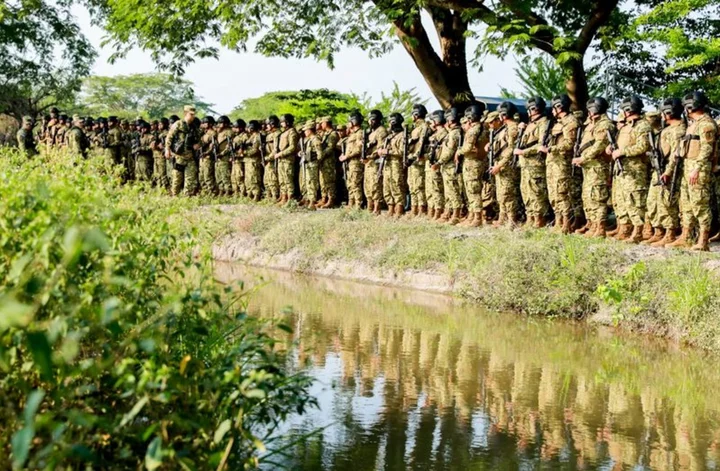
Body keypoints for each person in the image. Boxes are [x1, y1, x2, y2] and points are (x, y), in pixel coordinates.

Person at [668, 91, 718, 251]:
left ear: (691, 106)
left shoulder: (706, 124)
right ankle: (686, 236)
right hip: (687, 167)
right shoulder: (693, 125)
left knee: (699, 204)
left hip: (698, 169)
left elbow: (707, 149)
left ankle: (703, 241)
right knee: (686, 205)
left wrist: (697, 168)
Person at [643, 98, 687, 247]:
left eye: (663, 112)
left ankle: (669, 233)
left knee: (667, 203)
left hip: (670, 171)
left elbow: (676, 154)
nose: (661, 115)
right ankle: (658, 232)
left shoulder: (678, 130)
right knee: (653, 201)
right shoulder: (667, 130)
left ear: (669, 112)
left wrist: (668, 172)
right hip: (659, 170)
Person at [609, 96, 652, 243]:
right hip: (621, 170)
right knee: (621, 200)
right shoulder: (626, 127)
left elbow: (643, 146)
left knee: (635, 200)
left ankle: (638, 231)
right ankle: (625, 229)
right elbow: (619, 145)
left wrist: (623, 152)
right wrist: (612, 148)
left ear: (629, 109)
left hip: (635, 170)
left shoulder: (643, 126)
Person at [572, 97, 614, 238]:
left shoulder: (604, 124)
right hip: (588, 166)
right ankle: (592, 224)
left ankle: (600, 228)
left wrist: (583, 157)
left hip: (598, 167)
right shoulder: (590, 124)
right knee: (588, 196)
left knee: (597, 197)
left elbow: (598, 146)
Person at [541, 95, 581, 234]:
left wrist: (551, 149)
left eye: (554, 107)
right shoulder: (557, 122)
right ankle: (558, 221)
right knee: (553, 194)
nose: (552, 110)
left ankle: (566, 223)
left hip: (562, 163)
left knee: (562, 193)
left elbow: (570, 143)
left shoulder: (570, 122)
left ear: (559, 107)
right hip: (552, 162)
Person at [514, 97, 550, 228]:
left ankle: (539, 218)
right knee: (526, 191)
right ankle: (530, 216)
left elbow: (541, 145)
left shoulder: (543, 123)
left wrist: (523, 152)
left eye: (529, 109)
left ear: (534, 109)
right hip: (525, 165)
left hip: (535, 164)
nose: (528, 111)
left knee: (536, 192)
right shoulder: (530, 124)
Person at [456, 103, 488, 227]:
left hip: (472, 163)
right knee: (473, 190)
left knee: (473, 191)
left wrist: (459, 151)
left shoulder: (473, 130)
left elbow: (468, 147)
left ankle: (477, 218)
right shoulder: (483, 128)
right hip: (478, 162)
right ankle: (472, 216)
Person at [489, 102, 521, 228]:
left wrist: (500, 165)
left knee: (508, 194)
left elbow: (510, 150)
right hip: (501, 165)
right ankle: (502, 217)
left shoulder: (513, 128)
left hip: (506, 166)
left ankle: (511, 220)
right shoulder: (505, 128)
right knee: (501, 194)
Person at [434, 108, 462, 225]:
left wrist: (439, 162)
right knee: (448, 191)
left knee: (453, 191)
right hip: (446, 166)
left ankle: (456, 215)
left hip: (450, 166)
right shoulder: (452, 132)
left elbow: (450, 151)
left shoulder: (454, 133)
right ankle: (448, 213)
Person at [166, 105, 201, 196]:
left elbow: (199, 140)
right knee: (177, 178)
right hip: (179, 156)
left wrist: (198, 145)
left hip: (190, 156)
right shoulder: (178, 124)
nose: (193, 116)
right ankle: (174, 195)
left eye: (194, 115)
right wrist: (167, 150)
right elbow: (169, 137)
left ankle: (187, 196)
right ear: (185, 113)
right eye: (191, 114)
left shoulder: (194, 127)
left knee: (190, 177)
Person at [378, 112, 407, 217]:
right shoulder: (389, 136)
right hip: (387, 164)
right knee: (387, 187)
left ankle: (399, 209)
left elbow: (402, 152)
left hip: (396, 164)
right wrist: (380, 151)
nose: (389, 124)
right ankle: (390, 208)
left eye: (391, 122)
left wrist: (388, 152)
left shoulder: (403, 135)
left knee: (397, 186)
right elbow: (381, 147)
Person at [362, 110, 388, 215]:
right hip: (368, 162)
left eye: (372, 119)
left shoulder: (381, 131)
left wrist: (370, 156)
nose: (370, 121)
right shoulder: (371, 132)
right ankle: (369, 207)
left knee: (375, 185)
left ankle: (377, 208)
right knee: (367, 185)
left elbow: (380, 148)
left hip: (375, 162)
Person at [339, 111, 365, 210]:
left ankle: (358, 205)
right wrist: (344, 155)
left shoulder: (360, 133)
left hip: (356, 162)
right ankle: (351, 203)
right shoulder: (352, 134)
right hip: (350, 162)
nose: (348, 123)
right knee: (350, 184)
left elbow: (358, 149)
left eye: (349, 121)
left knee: (355, 184)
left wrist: (347, 156)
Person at [407, 104, 430, 217]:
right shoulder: (415, 127)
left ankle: (421, 209)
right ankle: (414, 209)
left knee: (419, 186)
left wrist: (413, 157)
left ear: (416, 115)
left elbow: (421, 144)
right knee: (412, 185)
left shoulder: (424, 127)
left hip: (418, 161)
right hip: (412, 161)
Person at [274, 114, 299, 205]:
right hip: (281, 159)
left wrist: (281, 153)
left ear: (288, 122)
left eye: (283, 121)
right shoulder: (284, 132)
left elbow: (292, 147)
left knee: (288, 179)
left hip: (288, 159)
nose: (281, 123)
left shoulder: (292, 132)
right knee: (282, 180)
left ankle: (290, 198)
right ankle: (284, 197)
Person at [426, 110, 447, 220]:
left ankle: (438, 211)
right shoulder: (435, 134)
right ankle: (433, 210)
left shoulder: (442, 133)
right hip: (432, 163)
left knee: (437, 189)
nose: (431, 123)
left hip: (437, 164)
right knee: (431, 188)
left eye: (432, 120)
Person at [299, 120, 323, 209]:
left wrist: (316, 163)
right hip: (307, 163)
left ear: (310, 130)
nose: (305, 132)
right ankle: (308, 200)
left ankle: (312, 202)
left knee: (312, 183)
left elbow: (319, 154)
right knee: (307, 183)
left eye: (306, 130)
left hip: (313, 164)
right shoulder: (308, 140)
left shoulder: (315, 139)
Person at [318, 116, 339, 208]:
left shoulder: (333, 134)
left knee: (330, 181)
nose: (321, 125)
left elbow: (330, 148)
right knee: (323, 181)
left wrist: (320, 155)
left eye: (322, 123)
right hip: (324, 161)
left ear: (326, 123)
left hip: (329, 162)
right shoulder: (326, 134)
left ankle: (331, 199)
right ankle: (324, 198)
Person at [242, 120, 263, 201]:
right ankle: (249, 192)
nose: (248, 129)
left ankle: (256, 194)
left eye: (249, 127)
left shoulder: (257, 136)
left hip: (253, 160)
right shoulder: (251, 136)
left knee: (254, 178)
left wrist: (244, 152)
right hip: (248, 160)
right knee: (248, 178)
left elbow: (255, 150)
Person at [214, 116, 234, 196]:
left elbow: (229, 145)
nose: (219, 124)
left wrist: (222, 153)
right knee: (218, 174)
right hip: (218, 156)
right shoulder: (220, 132)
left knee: (225, 174)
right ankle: (221, 189)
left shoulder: (229, 132)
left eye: (220, 123)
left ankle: (228, 190)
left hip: (224, 156)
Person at [198, 116, 218, 195]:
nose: (203, 124)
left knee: (208, 175)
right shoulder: (204, 133)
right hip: (202, 157)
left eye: (205, 123)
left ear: (210, 123)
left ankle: (212, 191)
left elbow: (213, 145)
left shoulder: (212, 133)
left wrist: (207, 152)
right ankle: (205, 190)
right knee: (201, 176)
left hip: (208, 157)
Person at [263, 116, 281, 201]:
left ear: (273, 124)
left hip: (273, 160)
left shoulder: (277, 134)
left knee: (272, 178)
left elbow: (276, 149)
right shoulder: (269, 134)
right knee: (266, 178)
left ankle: (275, 195)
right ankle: (268, 194)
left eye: (268, 124)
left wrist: (269, 157)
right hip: (267, 159)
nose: (266, 126)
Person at [231, 119, 248, 197]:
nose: (235, 129)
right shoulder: (236, 136)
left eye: (236, 127)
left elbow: (243, 146)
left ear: (241, 128)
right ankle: (236, 191)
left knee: (239, 176)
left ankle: (242, 192)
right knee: (233, 176)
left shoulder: (245, 135)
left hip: (240, 159)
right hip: (235, 158)